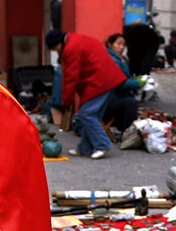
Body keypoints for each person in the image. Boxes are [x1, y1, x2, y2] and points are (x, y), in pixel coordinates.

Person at [45, 28, 125, 159]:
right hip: (107, 78)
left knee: (86, 113)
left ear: (57, 43)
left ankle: (103, 144)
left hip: (100, 81)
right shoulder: (76, 39)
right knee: (92, 115)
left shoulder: (70, 49)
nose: (56, 51)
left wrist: (67, 100)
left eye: (55, 48)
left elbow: (71, 77)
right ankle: (85, 148)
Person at [103, 33, 141, 135]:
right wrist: (137, 83)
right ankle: (128, 134)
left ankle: (123, 128)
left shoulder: (118, 59)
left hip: (110, 98)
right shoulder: (112, 60)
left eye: (123, 45)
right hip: (106, 101)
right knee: (130, 103)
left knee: (129, 101)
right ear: (110, 45)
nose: (121, 47)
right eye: (118, 44)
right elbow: (120, 83)